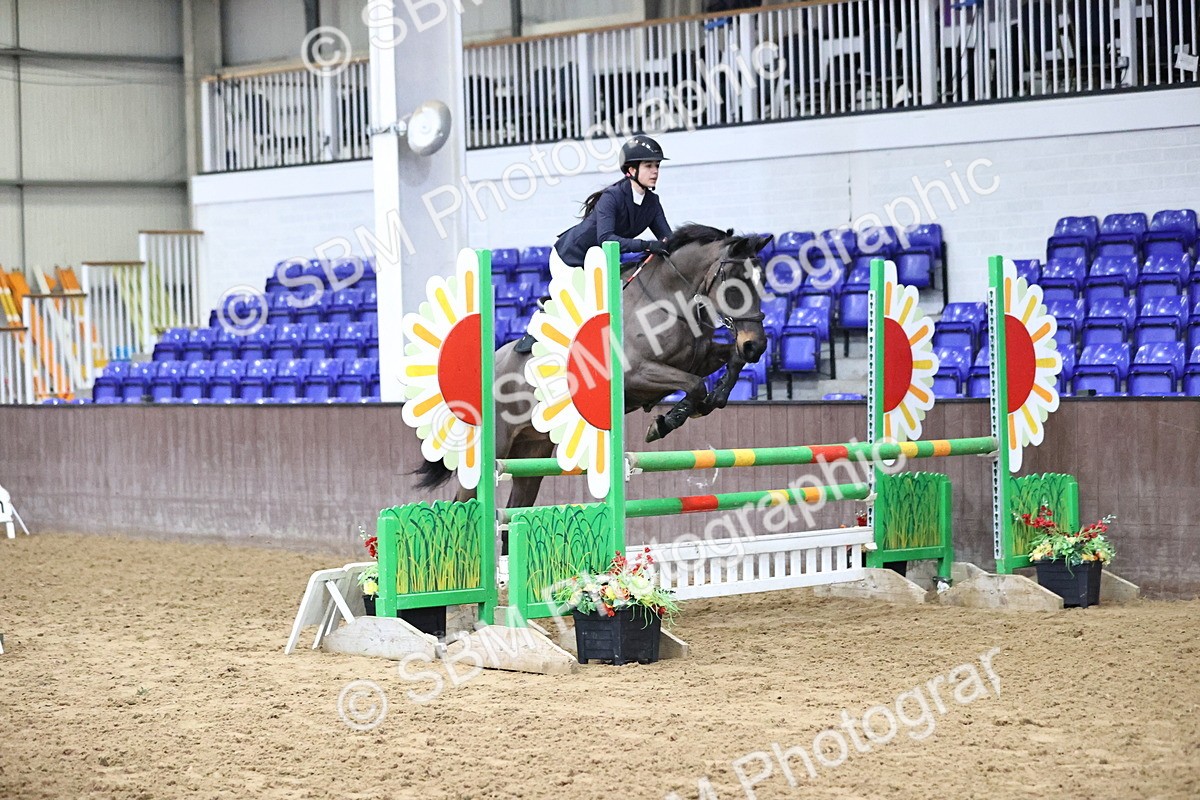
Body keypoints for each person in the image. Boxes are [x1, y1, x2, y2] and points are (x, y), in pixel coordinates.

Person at [552, 135, 673, 267]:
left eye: (657, 166)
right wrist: (646, 245)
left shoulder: (652, 202)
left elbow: (668, 238)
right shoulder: (612, 197)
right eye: (648, 166)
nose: (655, 171)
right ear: (632, 170)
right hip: (569, 258)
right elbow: (606, 239)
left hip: (600, 261)